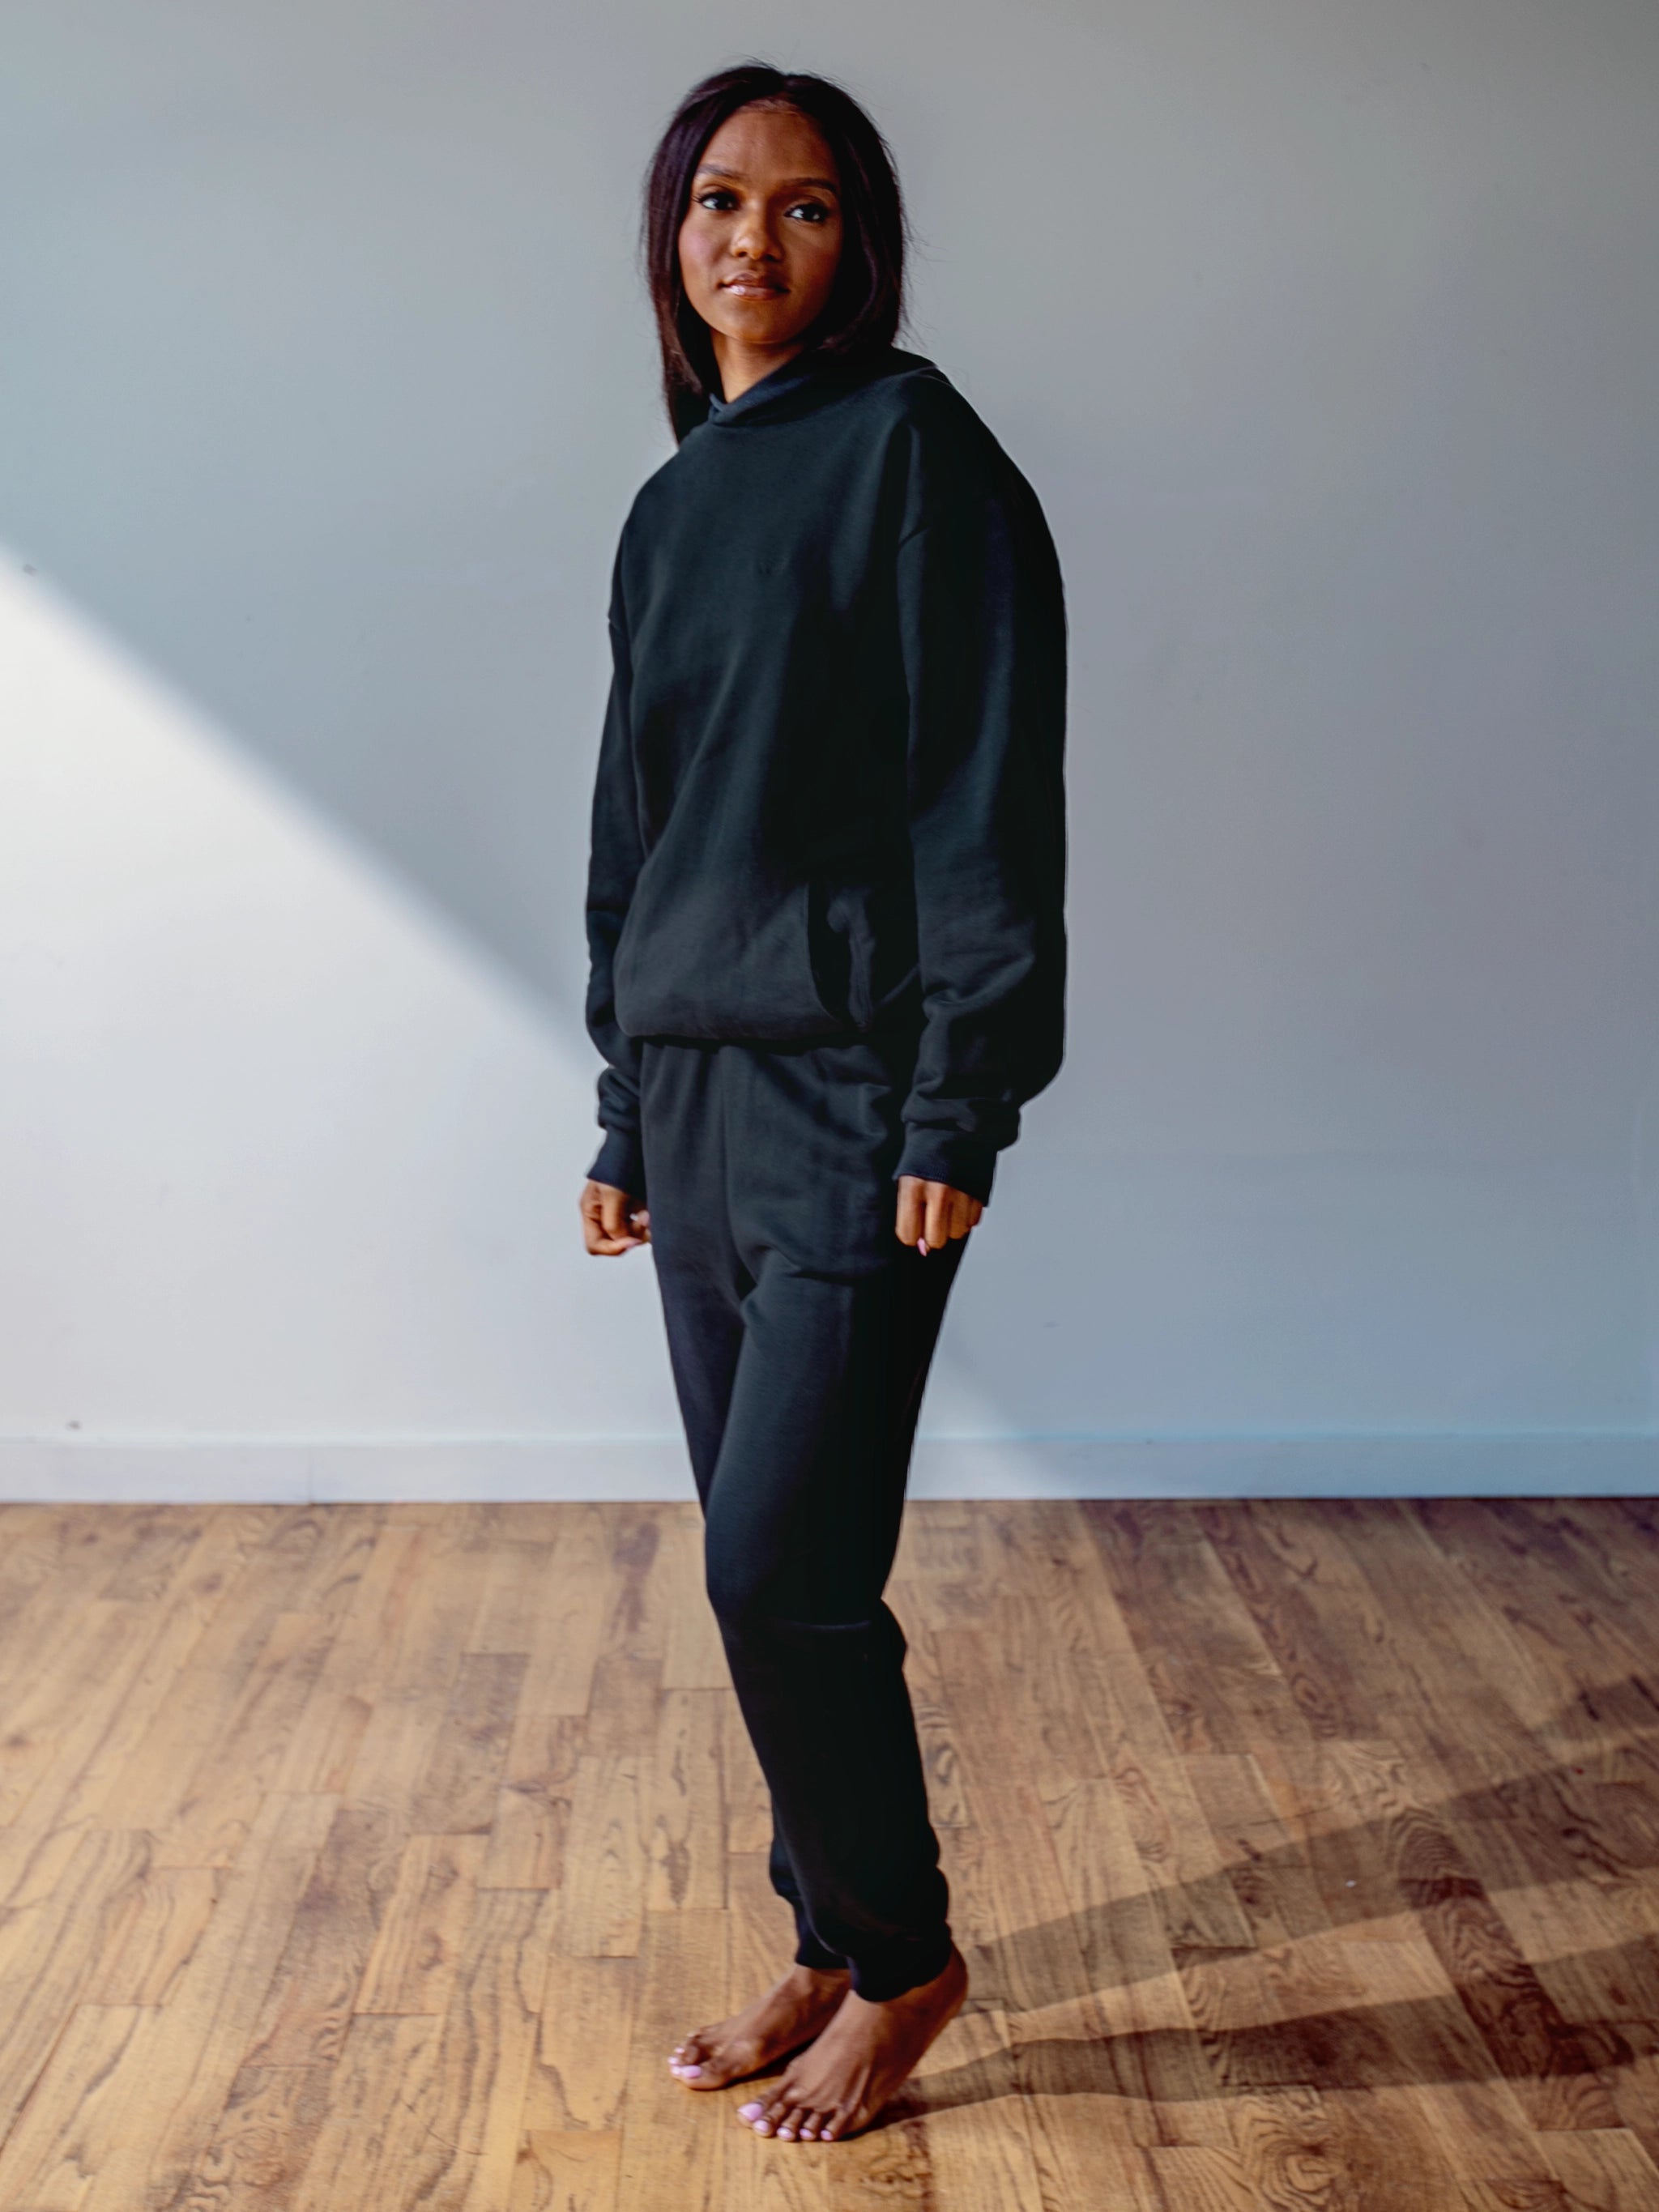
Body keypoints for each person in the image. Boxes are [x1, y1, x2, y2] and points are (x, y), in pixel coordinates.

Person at [578, 61, 1067, 2145]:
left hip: (859, 1097)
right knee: (753, 1552)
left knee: (783, 1564)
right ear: (669, 236)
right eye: (714, 203)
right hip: (692, 1097)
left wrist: (963, 1094)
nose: (747, 242)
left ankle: (907, 1957)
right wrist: (621, 1103)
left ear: (857, 239)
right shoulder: (676, 498)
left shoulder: (912, 453)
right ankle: (821, 1921)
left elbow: (982, 789)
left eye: (796, 207)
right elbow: (640, 823)